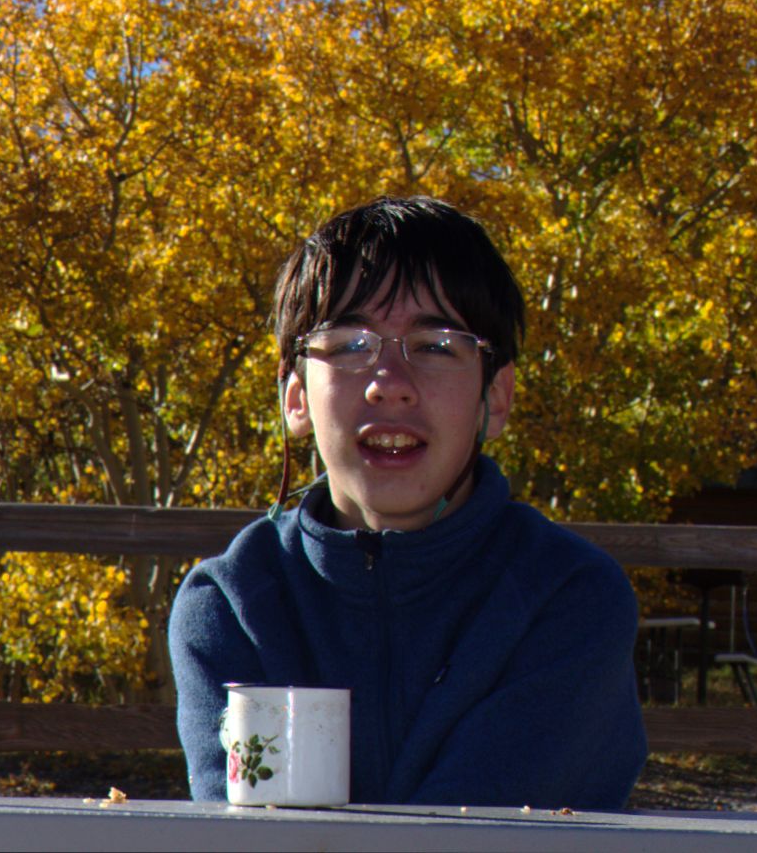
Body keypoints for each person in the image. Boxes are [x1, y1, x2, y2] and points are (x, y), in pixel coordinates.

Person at [169, 196, 646, 808]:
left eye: (436, 346)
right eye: (348, 344)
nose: (388, 384)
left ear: (495, 398)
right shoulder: (231, 606)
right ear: (295, 396)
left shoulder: (568, 598)